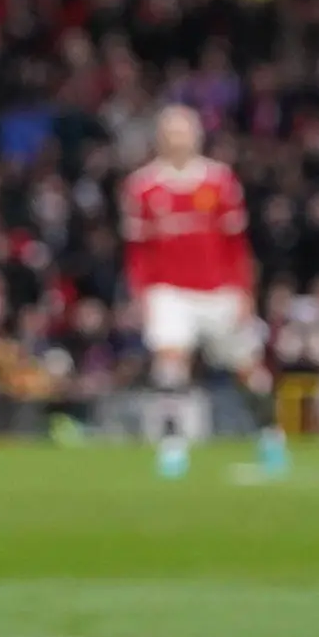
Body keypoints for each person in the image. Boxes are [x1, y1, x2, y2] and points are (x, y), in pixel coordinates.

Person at [121, 104, 264, 474]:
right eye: (171, 130)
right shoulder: (143, 186)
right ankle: (172, 447)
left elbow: (236, 244)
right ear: (160, 137)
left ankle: (270, 439)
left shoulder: (220, 181)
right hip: (169, 291)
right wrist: (142, 294)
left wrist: (244, 291)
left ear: (197, 135)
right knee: (170, 363)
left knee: (249, 369)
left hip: (220, 291)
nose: (178, 137)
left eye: (184, 130)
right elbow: (138, 251)